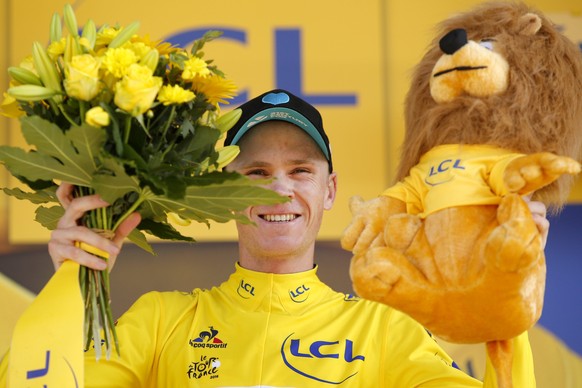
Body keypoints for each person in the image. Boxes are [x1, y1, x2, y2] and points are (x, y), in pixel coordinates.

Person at [1, 89, 546, 386]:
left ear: (330, 190)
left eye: (301, 171)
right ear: (222, 189)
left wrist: (504, 308)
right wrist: (71, 283)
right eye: (255, 173)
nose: (279, 190)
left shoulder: (385, 331)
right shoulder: (161, 321)